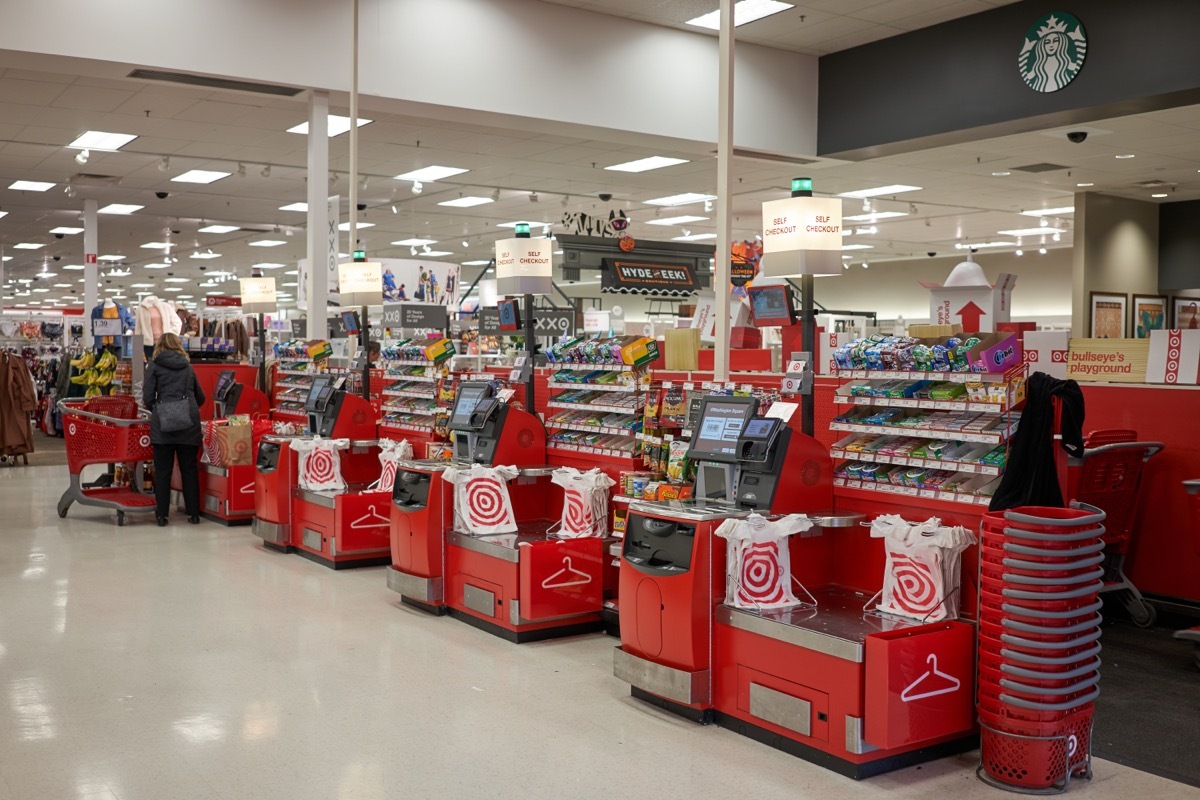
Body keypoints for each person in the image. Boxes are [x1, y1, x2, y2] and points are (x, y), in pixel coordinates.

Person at [143, 333, 205, 526]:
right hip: (189, 422)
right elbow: (200, 397)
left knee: (163, 471)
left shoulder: (154, 366)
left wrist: (161, 408)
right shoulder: (187, 367)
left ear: (159, 346)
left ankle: (162, 516)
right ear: (178, 345)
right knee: (189, 469)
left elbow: (147, 396)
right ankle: (194, 514)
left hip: (163, 425)